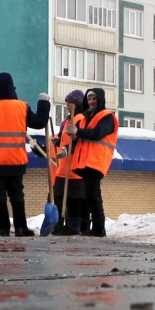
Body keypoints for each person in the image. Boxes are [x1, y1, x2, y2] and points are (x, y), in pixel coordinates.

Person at [0, 72, 50, 236]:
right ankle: (21, 228)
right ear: (12, 88)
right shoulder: (22, 107)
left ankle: (3, 228)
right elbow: (39, 123)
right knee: (16, 195)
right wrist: (43, 104)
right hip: (15, 160)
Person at [69, 87, 118, 236]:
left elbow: (97, 134)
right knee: (90, 194)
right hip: (86, 162)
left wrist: (78, 132)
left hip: (96, 161)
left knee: (93, 194)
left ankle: (98, 228)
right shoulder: (85, 118)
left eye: (94, 98)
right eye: (89, 99)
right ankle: (97, 227)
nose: (91, 101)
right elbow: (82, 138)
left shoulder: (107, 117)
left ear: (100, 100)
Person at [47, 90, 85, 235]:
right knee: (58, 197)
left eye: (69, 102)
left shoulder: (81, 119)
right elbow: (64, 141)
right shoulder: (67, 122)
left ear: (76, 103)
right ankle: (58, 225)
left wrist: (67, 149)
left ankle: (74, 227)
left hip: (75, 168)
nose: (67, 105)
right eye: (66, 102)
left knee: (74, 200)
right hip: (63, 168)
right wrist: (58, 143)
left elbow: (80, 142)